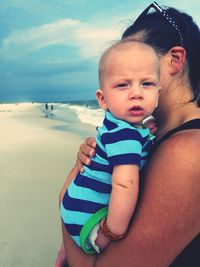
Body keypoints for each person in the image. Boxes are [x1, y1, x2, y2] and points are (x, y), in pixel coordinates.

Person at [58, 2, 200, 266]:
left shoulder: (187, 153)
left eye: (137, 56)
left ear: (175, 60)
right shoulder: (148, 136)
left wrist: (66, 194)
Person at [60, 39, 160, 255]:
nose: (137, 93)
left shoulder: (116, 126)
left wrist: (144, 131)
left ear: (158, 93)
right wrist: (112, 231)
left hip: (75, 208)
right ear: (102, 99)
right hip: (90, 220)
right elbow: (125, 184)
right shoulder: (125, 135)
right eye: (123, 85)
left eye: (147, 84)